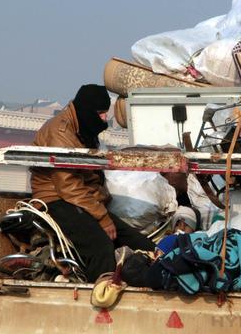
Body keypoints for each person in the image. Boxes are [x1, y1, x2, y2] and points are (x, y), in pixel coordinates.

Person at [31, 85, 155, 282]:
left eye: (106, 113)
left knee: (141, 244)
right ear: (86, 109)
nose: (105, 119)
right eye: (101, 113)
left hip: (82, 200)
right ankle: (102, 298)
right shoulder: (61, 131)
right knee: (101, 246)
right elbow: (68, 185)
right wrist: (102, 217)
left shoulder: (82, 129)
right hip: (55, 199)